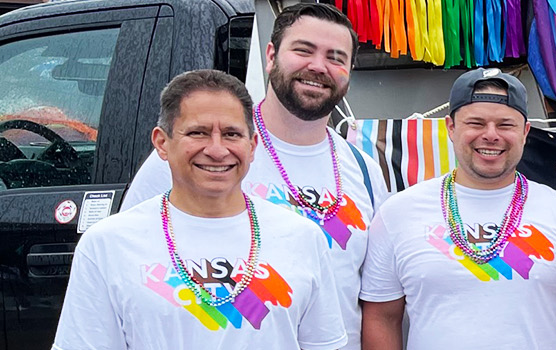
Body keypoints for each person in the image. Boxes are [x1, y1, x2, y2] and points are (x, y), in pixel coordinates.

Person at [121, 4, 386, 348]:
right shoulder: (201, 157)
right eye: (303, 50)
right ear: (271, 56)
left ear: (349, 71)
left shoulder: (364, 170)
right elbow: (126, 264)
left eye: (335, 57)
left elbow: (378, 297)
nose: (318, 66)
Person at [54, 70, 345, 350]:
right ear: (162, 142)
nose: (217, 150)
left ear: (252, 145)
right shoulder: (107, 245)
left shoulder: (303, 239)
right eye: (198, 133)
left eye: (232, 134)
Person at [358, 68, 556, 350]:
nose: (491, 135)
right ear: (451, 127)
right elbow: (381, 318)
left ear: (525, 131)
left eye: (505, 125)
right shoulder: (398, 214)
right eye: (476, 123)